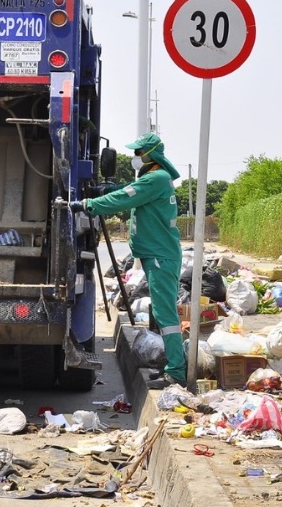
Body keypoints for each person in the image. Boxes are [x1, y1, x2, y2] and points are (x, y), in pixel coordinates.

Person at [71, 132, 186, 389]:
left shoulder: (156, 178)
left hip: (160, 256)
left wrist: (87, 204)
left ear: (150, 154)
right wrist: (108, 189)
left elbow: (125, 198)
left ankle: (176, 372)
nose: (135, 157)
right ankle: (170, 365)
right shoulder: (153, 178)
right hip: (156, 254)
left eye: (138, 153)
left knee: (166, 315)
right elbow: (126, 190)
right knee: (161, 312)